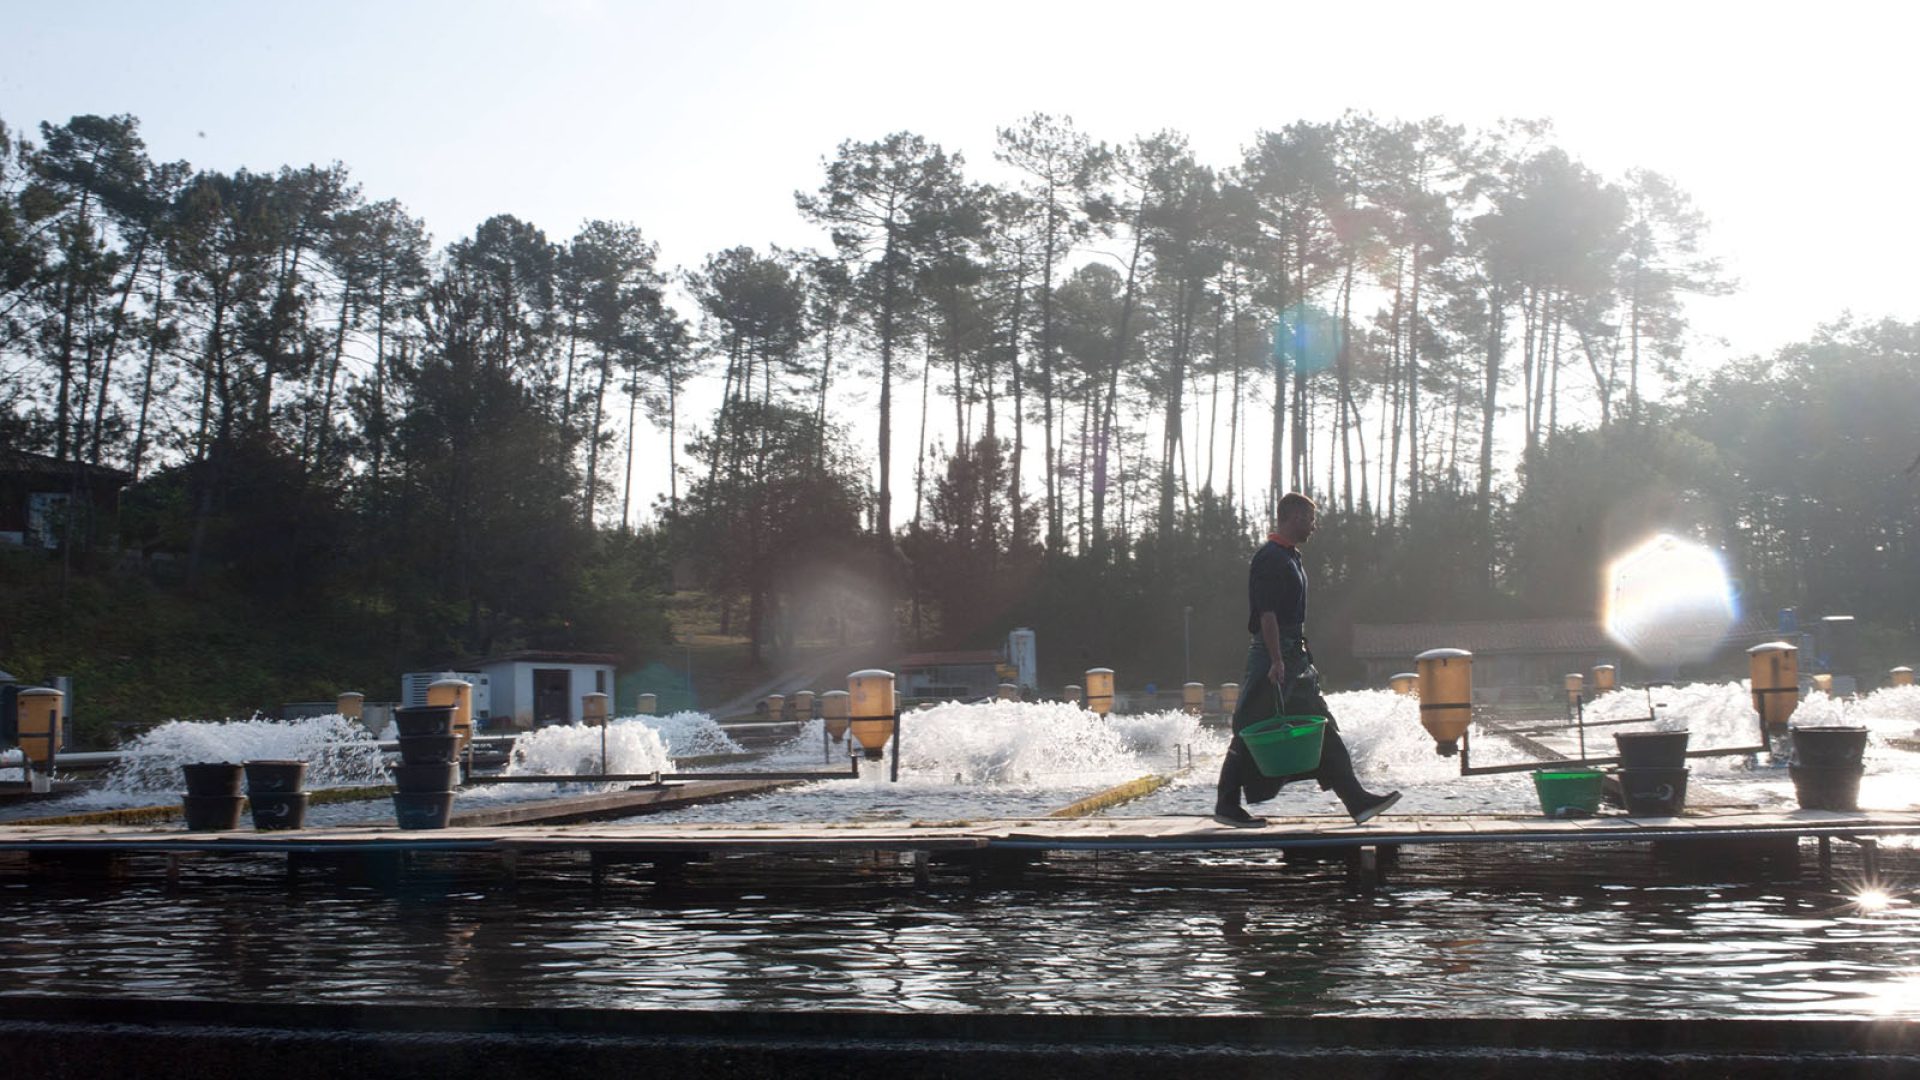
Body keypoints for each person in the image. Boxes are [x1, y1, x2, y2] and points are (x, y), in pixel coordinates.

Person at [1213, 492, 1401, 828]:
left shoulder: (1290, 557)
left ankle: (1356, 800)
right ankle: (1226, 804)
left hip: (1293, 655)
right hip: (1274, 656)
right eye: (1309, 519)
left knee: (1321, 724)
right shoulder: (1270, 557)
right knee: (1249, 727)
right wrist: (1275, 660)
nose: (1314, 527)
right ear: (1292, 517)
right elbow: (1266, 614)